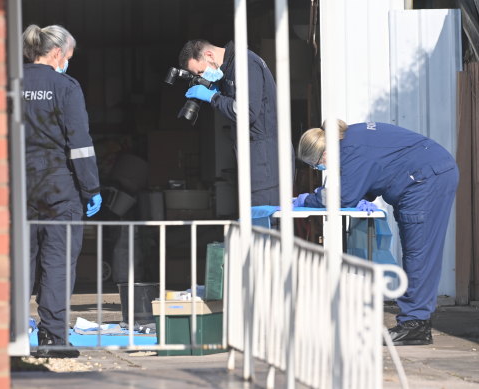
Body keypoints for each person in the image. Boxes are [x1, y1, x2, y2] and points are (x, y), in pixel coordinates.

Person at [295, 119, 459, 346]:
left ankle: (415, 325)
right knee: (419, 251)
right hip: (427, 174)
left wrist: (306, 200)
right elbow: (373, 173)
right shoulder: (351, 137)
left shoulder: (351, 151)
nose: (318, 169)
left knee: (419, 252)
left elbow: (341, 197)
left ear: (323, 154)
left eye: (315, 164)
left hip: (425, 180)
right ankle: (416, 320)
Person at [22, 24, 102, 357]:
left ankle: (11, 333)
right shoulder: (66, 86)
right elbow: (79, 143)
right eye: (68, 55)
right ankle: (53, 338)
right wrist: (91, 187)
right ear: (57, 53)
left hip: (18, 187)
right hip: (58, 188)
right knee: (58, 263)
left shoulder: (10, 82)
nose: (68, 61)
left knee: (19, 262)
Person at [178, 39, 295, 206]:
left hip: (268, 163)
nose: (202, 77)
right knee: (258, 224)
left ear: (209, 55)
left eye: (201, 72)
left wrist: (214, 97)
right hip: (258, 161)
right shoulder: (230, 70)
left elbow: (246, 112)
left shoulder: (246, 65)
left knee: (266, 223)